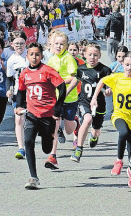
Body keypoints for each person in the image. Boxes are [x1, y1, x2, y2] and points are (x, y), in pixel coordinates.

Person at [90, 51, 131, 188]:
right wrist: (94, 98)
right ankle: (118, 161)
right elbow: (102, 81)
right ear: (122, 64)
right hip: (119, 115)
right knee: (123, 133)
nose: (129, 68)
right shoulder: (117, 77)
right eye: (127, 64)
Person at [14, 43, 67, 189]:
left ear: (42, 56)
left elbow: (62, 88)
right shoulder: (24, 73)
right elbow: (20, 91)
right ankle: (33, 177)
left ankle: (49, 138)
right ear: (27, 56)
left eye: (37, 54)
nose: (34, 57)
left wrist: (57, 109)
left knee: (46, 148)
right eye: (31, 54)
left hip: (48, 115)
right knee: (28, 141)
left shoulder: (48, 71)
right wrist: (19, 106)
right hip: (31, 114)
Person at [71, 43, 113, 162]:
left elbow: (111, 84)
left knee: (96, 130)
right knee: (87, 119)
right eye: (89, 54)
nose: (92, 57)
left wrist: (109, 90)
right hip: (85, 101)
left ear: (100, 55)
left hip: (99, 104)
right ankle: (78, 149)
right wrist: (65, 93)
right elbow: (75, 81)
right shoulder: (81, 69)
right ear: (84, 55)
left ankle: (94, 136)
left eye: (95, 55)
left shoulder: (105, 70)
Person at [44, 30, 79, 169]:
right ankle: (52, 156)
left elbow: (74, 77)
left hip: (69, 97)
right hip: (55, 98)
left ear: (66, 46)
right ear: (52, 44)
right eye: (56, 44)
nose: (58, 46)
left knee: (69, 130)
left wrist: (60, 82)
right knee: (55, 126)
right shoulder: (51, 59)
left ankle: (76, 123)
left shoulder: (68, 58)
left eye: (62, 44)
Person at [6, 36, 29, 159]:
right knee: (19, 119)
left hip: (32, 92)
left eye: (22, 43)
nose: (19, 46)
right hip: (18, 92)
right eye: (17, 43)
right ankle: (21, 148)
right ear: (12, 45)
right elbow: (9, 78)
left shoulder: (31, 56)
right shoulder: (11, 60)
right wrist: (8, 90)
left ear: (26, 44)